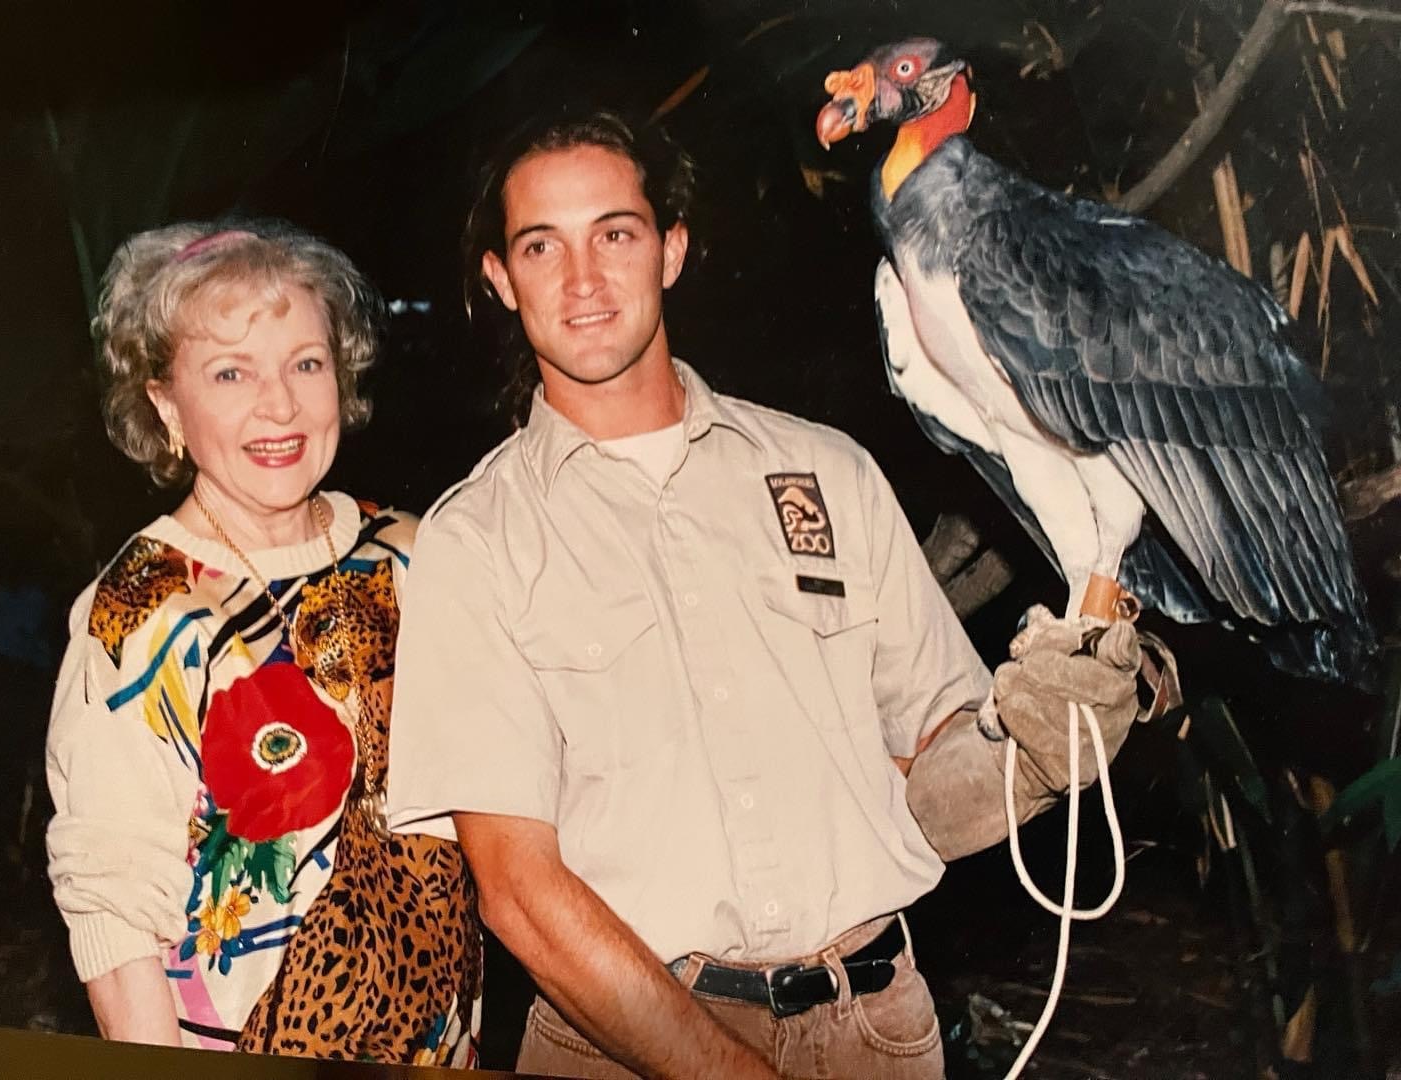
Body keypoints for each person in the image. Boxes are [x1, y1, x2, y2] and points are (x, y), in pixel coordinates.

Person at [386, 111, 1143, 1079]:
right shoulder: (477, 539)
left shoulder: (829, 474)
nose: (582, 281)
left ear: (672, 249)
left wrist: (1036, 750)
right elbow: (518, 892)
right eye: (543, 246)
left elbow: (930, 786)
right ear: (500, 280)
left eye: (615, 234)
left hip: (879, 1033)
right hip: (620, 1047)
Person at [45, 221, 482, 1065]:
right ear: (166, 404)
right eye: (230, 372)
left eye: (305, 364)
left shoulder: (416, 555)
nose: (279, 405)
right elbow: (111, 908)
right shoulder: (138, 615)